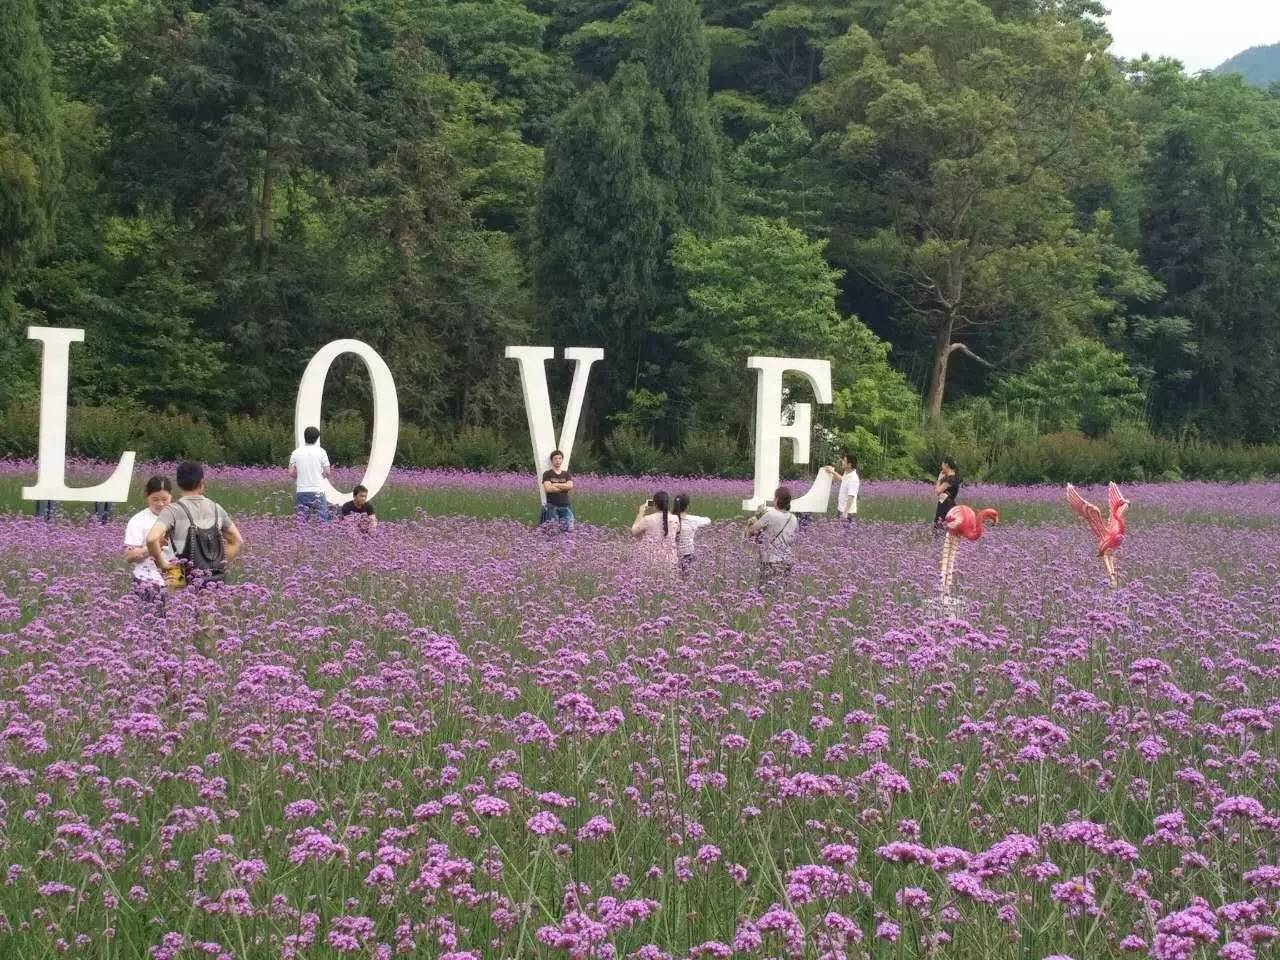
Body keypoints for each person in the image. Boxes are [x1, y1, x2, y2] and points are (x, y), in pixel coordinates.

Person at [147, 461, 243, 588]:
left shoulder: (172, 510)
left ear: (179, 483)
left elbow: (151, 538)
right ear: (201, 482)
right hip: (215, 582)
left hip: (182, 578)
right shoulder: (216, 508)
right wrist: (219, 564)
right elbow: (237, 541)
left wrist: (163, 565)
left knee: (180, 606)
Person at [123, 475, 175, 594]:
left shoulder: (179, 517)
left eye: (164, 499)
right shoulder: (138, 520)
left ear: (171, 496)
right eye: (155, 499)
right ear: (147, 496)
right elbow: (129, 556)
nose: (160, 504)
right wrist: (155, 545)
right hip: (147, 579)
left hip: (175, 576)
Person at [747, 486, 798, 583]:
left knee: (765, 589)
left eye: (775, 498)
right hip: (787, 560)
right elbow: (793, 539)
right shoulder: (793, 518)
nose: (774, 500)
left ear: (778, 499)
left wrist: (751, 522)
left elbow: (752, 530)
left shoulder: (770, 515)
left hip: (770, 560)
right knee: (782, 591)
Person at [289, 426, 332, 521]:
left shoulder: (295, 453)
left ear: (304, 437)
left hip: (301, 490)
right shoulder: (321, 452)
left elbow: (291, 472)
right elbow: (328, 472)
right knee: (323, 522)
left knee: (301, 522)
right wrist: (320, 477)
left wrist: (300, 477)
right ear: (317, 438)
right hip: (318, 490)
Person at [631, 490, 678, 565]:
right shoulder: (675, 518)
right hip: (670, 560)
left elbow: (634, 531)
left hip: (651, 560)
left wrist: (641, 511)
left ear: (655, 504)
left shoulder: (648, 519)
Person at [673, 494, 711, 576]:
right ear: (687, 507)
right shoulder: (693, 520)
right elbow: (708, 520)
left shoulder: (670, 519)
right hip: (688, 556)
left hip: (672, 556)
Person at [541, 450, 574, 532]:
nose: (558, 461)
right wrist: (564, 487)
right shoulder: (547, 474)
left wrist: (555, 484)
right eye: (555, 459)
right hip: (552, 506)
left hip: (566, 506)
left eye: (560, 458)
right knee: (553, 531)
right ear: (552, 460)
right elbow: (548, 489)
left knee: (568, 530)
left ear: (562, 460)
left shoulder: (566, 474)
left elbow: (570, 486)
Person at [824, 452, 860, 524]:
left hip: (847, 512)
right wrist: (832, 472)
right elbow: (842, 479)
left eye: (844, 461)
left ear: (849, 465)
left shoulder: (853, 479)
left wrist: (845, 513)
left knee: (846, 534)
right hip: (841, 509)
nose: (842, 462)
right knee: (839, 533)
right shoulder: (847, 473)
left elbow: (851, 496)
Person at [934, 457, 960, 531]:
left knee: (940, 528)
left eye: (942, 464)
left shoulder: (950, 479)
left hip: (946, 506)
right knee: (941, 528)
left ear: (946, 465)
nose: (941, 466)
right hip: (945, 503)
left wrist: (939, 479)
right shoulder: (951, 477)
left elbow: (938, 491)